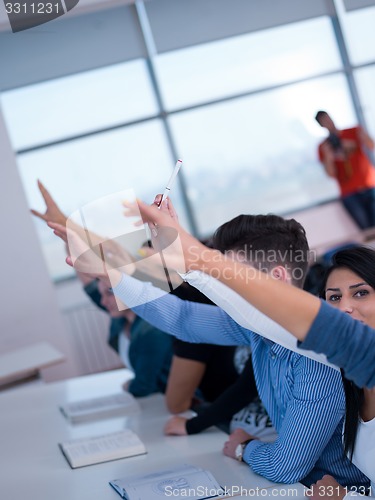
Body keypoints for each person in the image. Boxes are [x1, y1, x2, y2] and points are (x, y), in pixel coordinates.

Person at [49, 211, 368, 488]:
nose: (221, 288)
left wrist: (246, 446)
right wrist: (115, 277)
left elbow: (284, 467)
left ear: (277, 278)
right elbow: (183, 318)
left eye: (229, 277)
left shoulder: (315, 361)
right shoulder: (254, 327)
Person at [308, 247, 375, 499]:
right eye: (334, 298)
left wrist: (344, 497)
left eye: (361, 293)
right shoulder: (346, 376)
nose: (345, 307)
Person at [315, 110, 375, 229]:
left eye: (328, 118)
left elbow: (371, 145)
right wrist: (329, 156)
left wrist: (356, 139)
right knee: (367, 231)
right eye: (324, 121)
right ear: (321, 125)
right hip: (349, 193)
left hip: (369, 185)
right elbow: (331, 174)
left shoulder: (353, 131)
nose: (328, 122)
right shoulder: (323, 147)